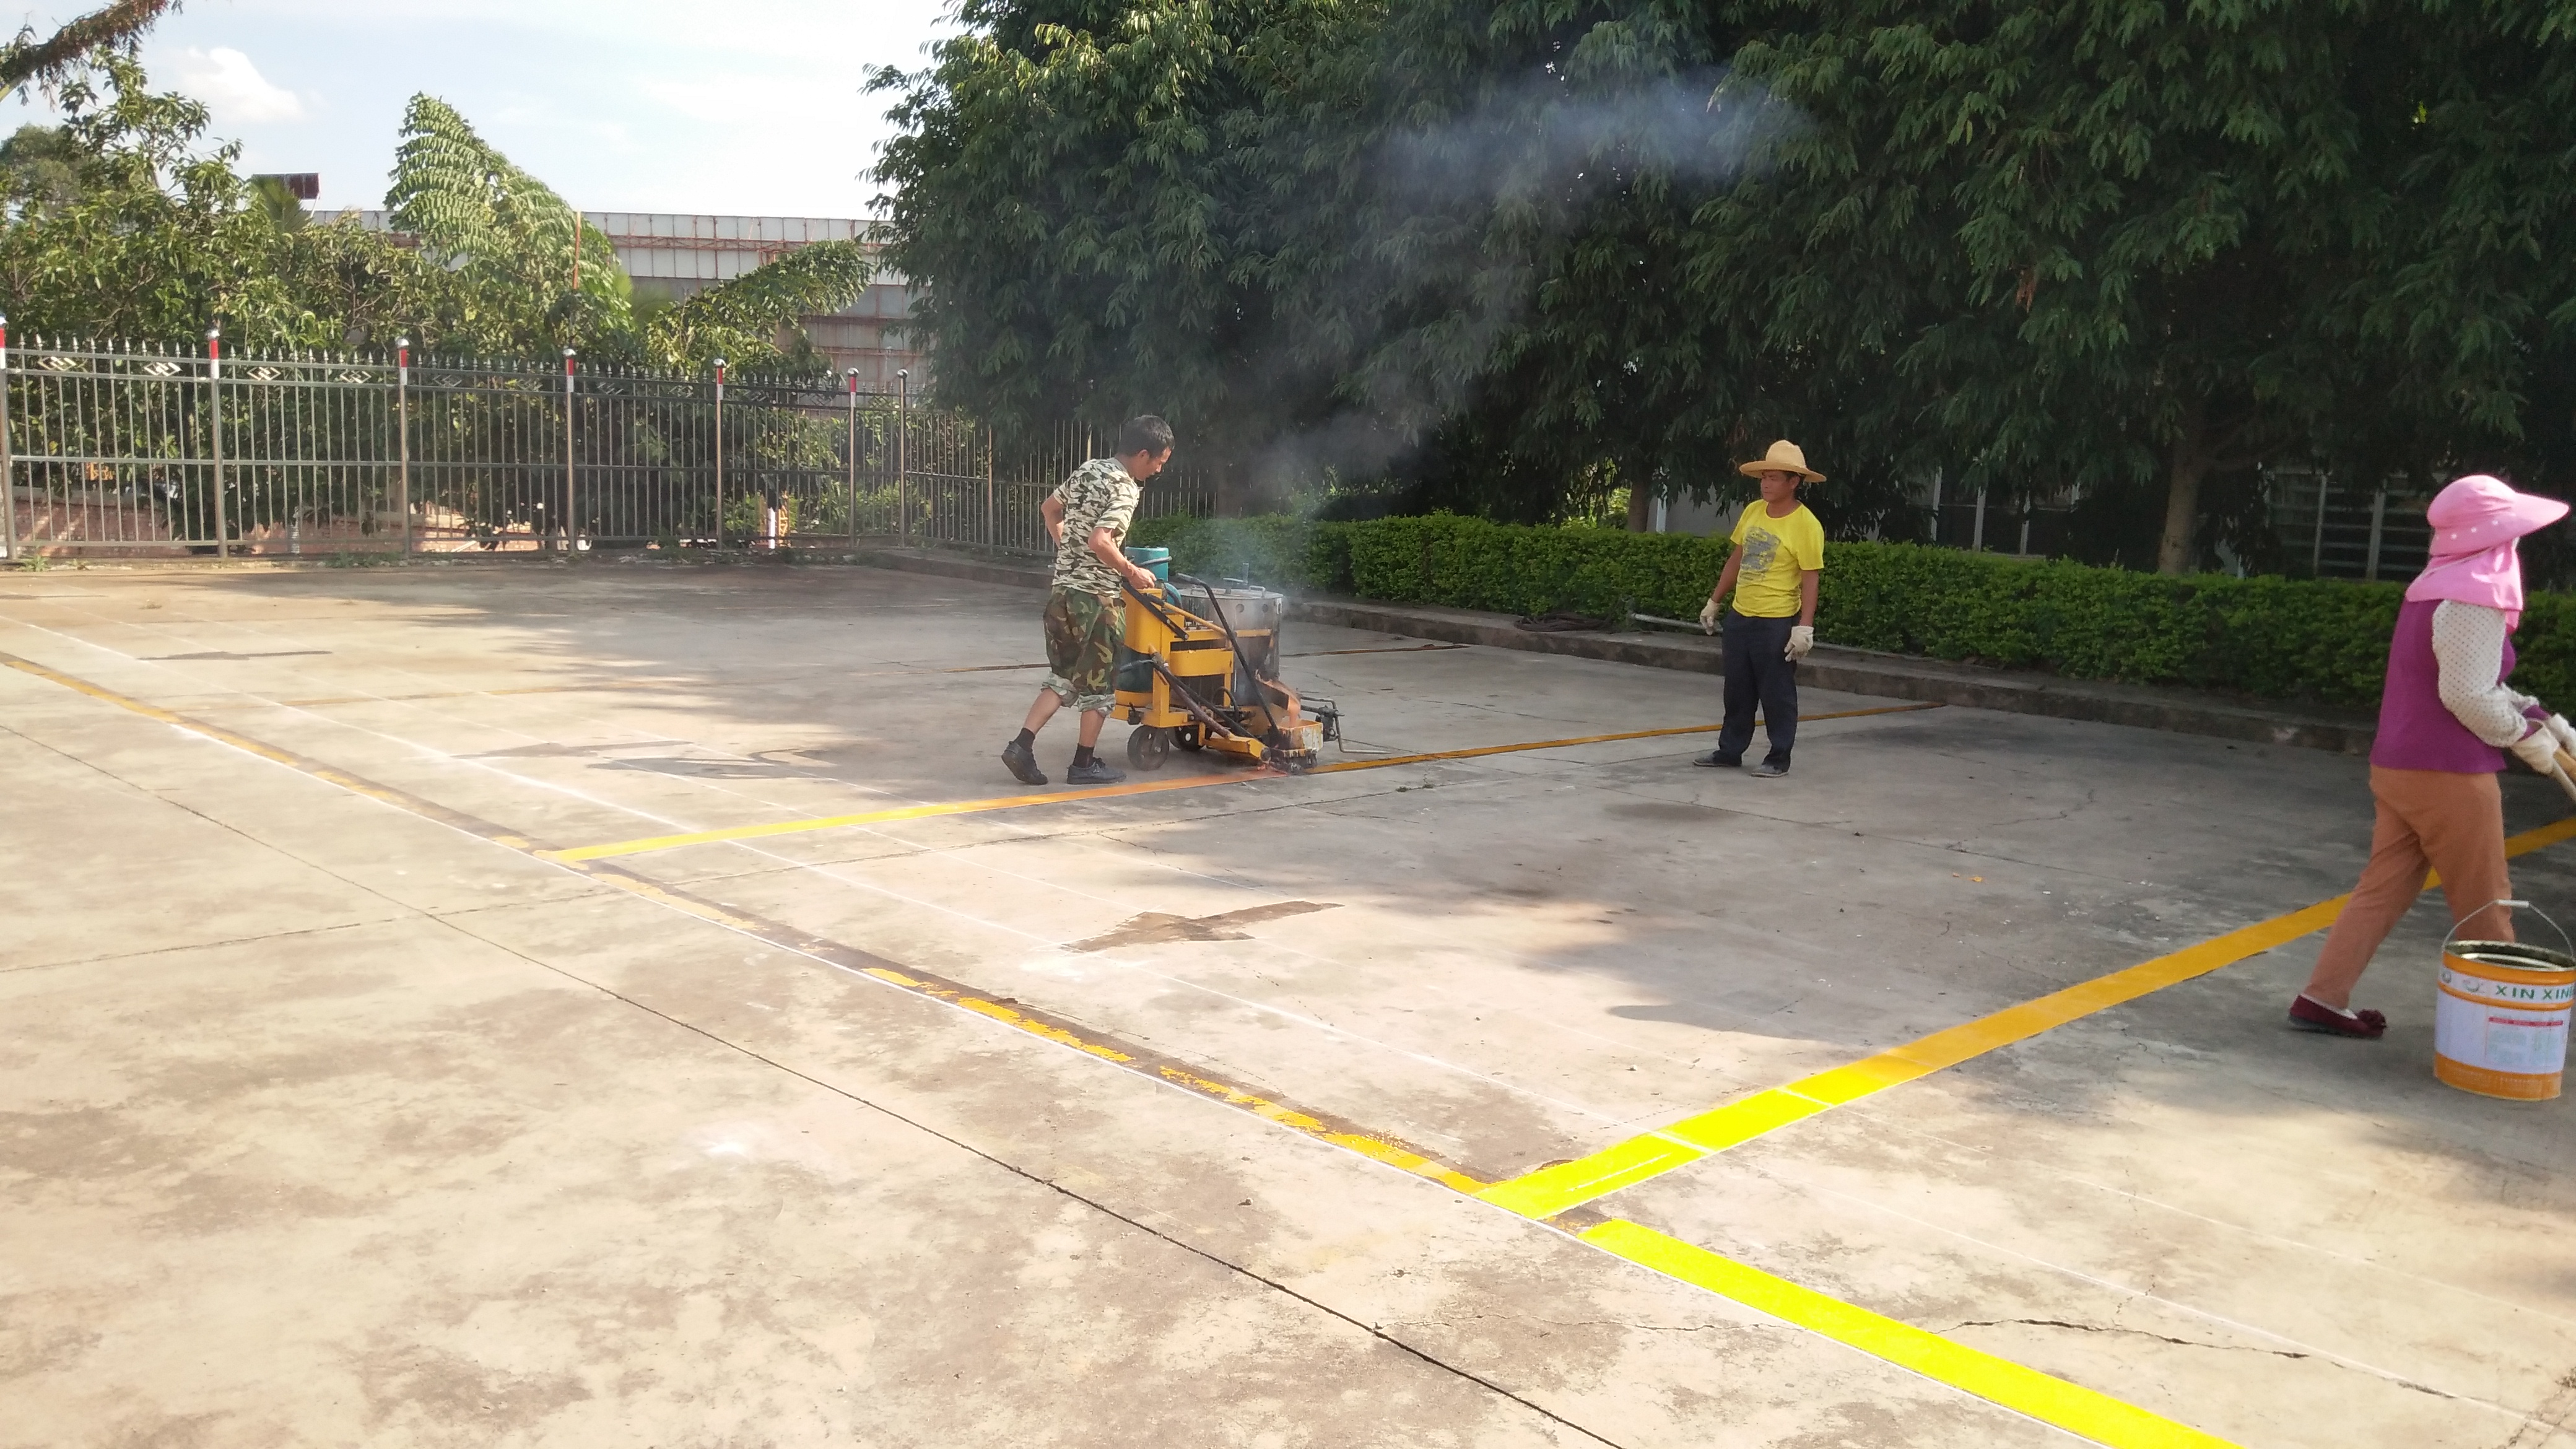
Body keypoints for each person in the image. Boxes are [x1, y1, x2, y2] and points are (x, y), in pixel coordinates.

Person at [2292, 473, 2576, 1037]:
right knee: (2486, 902)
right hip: (2449, 773)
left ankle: (2321, 997)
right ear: (2496, 537)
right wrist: (2525, 738)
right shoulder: (2475, 596)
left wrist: (2538, 717)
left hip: (2400, 765)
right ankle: (2505, 1030)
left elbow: (2472, 681)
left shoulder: (2434, 586)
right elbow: (2467, 695)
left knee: (2384, 887)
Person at [999, 416, 1175, 788]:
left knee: (1062, 677)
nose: (1159, 470)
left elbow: (1049, 509)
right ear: (1143, 454)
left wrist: (1068, 549)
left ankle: (1021, 746)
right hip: (1096, 601)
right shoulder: (1125, 487)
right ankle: (1084, 763)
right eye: (1159, 462)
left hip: (1062, 594)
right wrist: (1131, 571)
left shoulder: (1089, 469)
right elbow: (1100, 540)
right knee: (1100, 686)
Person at [1694, 440, 1826, 777]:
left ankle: (1778, 757)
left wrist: (1804, 627)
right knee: (1737, 689)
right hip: (1742, 615)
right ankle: (1730, 751)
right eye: (1764, 477)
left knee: (1776, 692)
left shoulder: (1806, 524)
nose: (1766, 484)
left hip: (1776, 620)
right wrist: (1715, 600)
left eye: (1774, 478)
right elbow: (1737, 558)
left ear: (1793, 482)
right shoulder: (1753, 511)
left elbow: (1810, 578)